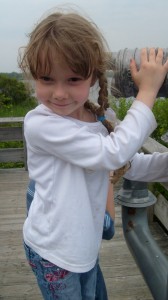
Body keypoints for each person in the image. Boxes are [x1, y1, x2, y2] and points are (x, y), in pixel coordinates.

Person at [19, 9, 168, 300]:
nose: (59, 93)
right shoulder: (40, 123)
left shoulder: (97, 117)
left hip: (82, 247)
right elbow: (112, 154)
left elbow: (129, 165)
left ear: (93, 76)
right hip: (53, 252)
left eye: (73, 79)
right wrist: (147, 92)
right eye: (46, 79)